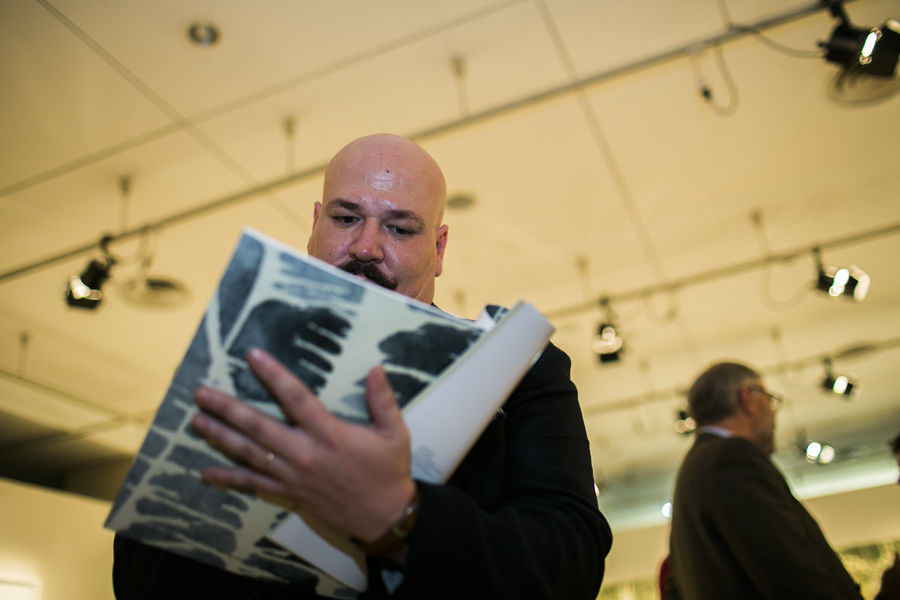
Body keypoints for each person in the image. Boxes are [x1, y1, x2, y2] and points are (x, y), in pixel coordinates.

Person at [112, 133, 612, 599]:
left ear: (438, 249)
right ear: (314, 225)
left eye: (399, 227)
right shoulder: (244, 351)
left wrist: (403, 520)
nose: (366, 247)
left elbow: (570, 566)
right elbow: (139, 577)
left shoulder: (519, 369)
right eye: (346, 218)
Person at [665, 361, 863, 599]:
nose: (773, 414)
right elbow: (788, 567)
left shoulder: (692, 470)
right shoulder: (732, 458)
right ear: (748, 398)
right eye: (769, 400)